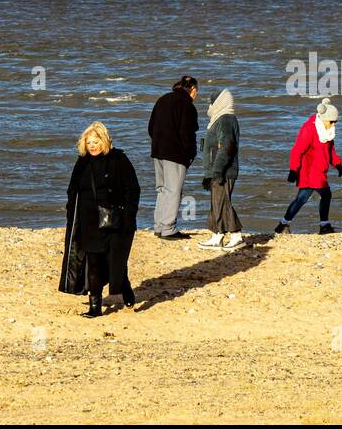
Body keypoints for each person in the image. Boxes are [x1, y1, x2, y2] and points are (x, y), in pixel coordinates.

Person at [60, 121, 141, 317]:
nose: (92, 146)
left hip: (115, 221)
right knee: (94, 262)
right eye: (89, 143)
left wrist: (128, 217)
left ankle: (124, 284)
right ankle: (95, 307)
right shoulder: (82, 162)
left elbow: (133, 189)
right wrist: (71, 216)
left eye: (95, 142)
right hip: (88, 222)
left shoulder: (118, 159)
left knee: (113, 260)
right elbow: (72, 191)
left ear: (104, 141)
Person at [275, 97, 342, 235]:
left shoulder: (328, 131)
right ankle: (324, 226)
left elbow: (330, 150)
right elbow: (297, 150)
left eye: (335, 122)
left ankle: (283, 225)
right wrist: (293, 170)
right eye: (331, 122)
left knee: (302, 198)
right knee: (325, 194)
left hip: (319, 170)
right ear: (324, 118)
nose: (333, 124)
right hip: (310, 170)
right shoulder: (309, 129)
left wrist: (337, 163)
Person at [148, 75, 198, 240]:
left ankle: (159, 226)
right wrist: (190, 155)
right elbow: (187, 134)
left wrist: (158, 142)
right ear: (192, 90)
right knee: (174, 190)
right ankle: (168, 228)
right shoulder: (187, 105)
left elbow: (150, 127)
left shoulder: (162, 99)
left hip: (157, 151)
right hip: (176, 154)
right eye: (197, 91)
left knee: (162, 189)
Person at [198, 89, 244, 251]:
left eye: (212, 102)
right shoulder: (219, 118)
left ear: (219, 103)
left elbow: (227, 146)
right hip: (215, 170)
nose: (210, 106)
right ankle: (217, 235)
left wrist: (217, 172)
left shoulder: (225, 119)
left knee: (223, 202)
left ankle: (236, 235)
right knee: (216, 202)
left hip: (224, 170)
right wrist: (207, 174)